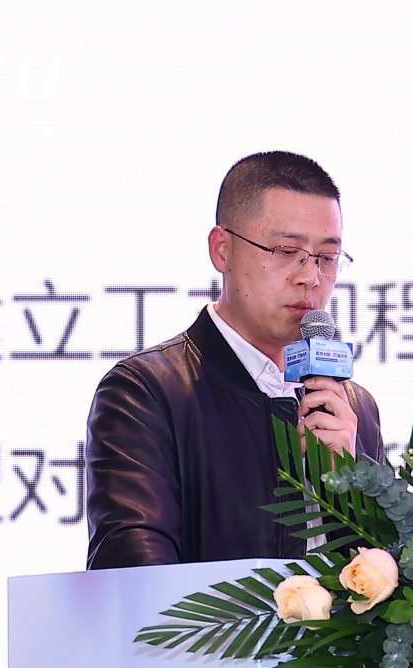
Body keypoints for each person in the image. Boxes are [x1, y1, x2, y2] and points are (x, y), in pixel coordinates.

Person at [84, 151, 386, 570]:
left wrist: (353, 484)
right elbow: (133, 575)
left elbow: (394, 582)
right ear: (222, 250)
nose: (310, 277)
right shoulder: (146, 394)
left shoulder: (353, 408)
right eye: (286, 250)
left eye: (327, 257)